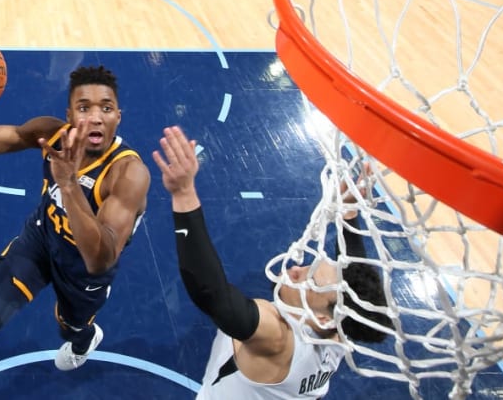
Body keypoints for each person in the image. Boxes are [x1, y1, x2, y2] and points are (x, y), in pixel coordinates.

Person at [0, 44, 151, 371]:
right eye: (84, 107)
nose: (95, 117)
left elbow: (99, 258)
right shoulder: (52, 133)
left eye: (106, 108)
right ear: (69, 116)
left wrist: (67, 184)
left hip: (84, 266)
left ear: (118, 116)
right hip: (42, 237)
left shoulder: (128, 174)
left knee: (72, 328)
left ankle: (85, 340)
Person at [152, 126, 392, 399]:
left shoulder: (277, 338)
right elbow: (354, 276)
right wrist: (347, 215)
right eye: (310, 266)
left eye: (309, 280)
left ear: (323, 319)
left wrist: (184, 194)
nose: (297, 269)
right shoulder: (342, 328)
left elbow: (213, 295)